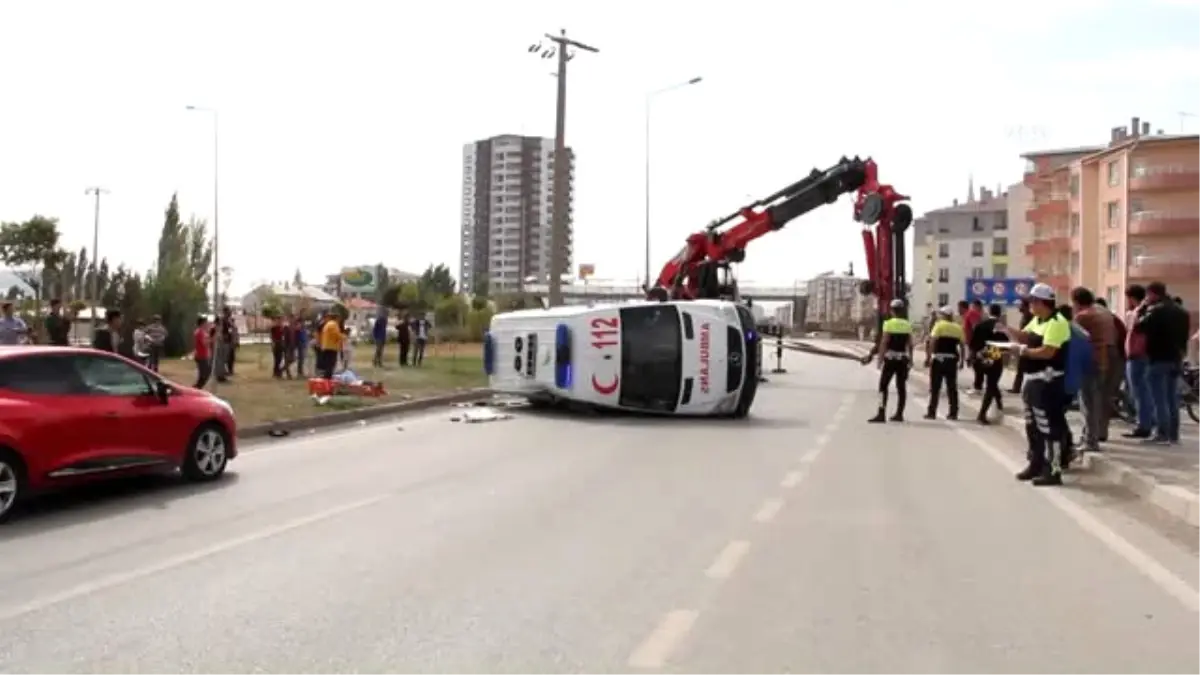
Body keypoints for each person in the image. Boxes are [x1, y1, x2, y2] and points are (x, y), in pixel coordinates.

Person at [1000, 283, 1072, 486]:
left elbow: (1049, 351)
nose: (1029, 305)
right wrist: (1007, 330)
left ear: (1041, 302)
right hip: (1032, 380)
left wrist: (1023, 351)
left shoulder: (1057, 322)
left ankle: (1054, 469)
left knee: (1049, 427)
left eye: (1031, 301)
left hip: (1048, 381)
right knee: (1032, 426)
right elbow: (1025, 336)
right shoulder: (1037, 320)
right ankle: (1036, 463)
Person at [1134, 281, 1190, 445]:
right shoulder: (1182, 311)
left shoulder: (1156, 310)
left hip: (1158, 358)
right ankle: (1173, 434)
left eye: (1147, 295)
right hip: (1176, 358)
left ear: (1152, 294)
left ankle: (1161, 433)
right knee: (1172, 397)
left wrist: (1143, 308)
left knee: (1158, 398)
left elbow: (1138, 327)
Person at [1071, 286, 1118, 452]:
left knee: (1088, 402)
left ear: (1076, 302)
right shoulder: (1103, 312)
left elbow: (1073, 338)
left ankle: (1090, 440)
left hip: (1090, 360)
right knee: (1098, 399)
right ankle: (1094, 434)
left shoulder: (1083, 316)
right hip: (1107, 358)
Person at [868, 299, 913, 423]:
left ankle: (881, 413)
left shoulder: (888, 324)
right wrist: (911, 359)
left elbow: (884, 342)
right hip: (903, 359)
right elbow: (910, 344)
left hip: (891, 359)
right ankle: (899, 414)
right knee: (901, 387)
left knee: (883, 386)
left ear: (892, 310)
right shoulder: (907, 325)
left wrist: (880, 359)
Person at [1122, 284, 1154, 439]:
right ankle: (1147, 422)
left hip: (1137, 355)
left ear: (1131, 297)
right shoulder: (1143, 311)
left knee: (1139, 392)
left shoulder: (1139, 312)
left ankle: (1143, 425)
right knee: (1142, 392)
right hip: (1140, 355)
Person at [924, 306, 965, 420]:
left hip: (939, 359)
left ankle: (932, 412)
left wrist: (929, 357)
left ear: (944, 315)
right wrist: (962, 360)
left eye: (941, 314)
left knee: (935, 387)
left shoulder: (939, 325)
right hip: (952, 360)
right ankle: (953, 412)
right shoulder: (958, 328)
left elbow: (932, 341)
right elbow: (962, 346)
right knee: (952, 387)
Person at [974, 303, 1008, 424]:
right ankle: (982, 414)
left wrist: (977, 354)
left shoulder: (980, 325)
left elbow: (973, 342)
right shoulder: (1001, 327)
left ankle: (999, 404)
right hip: (995, 356)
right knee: (992, 384)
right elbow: (1005, 345)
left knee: (991, 384)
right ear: (999, 314)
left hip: (980, 356)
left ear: (989, 312)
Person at [1009, 298, 1033, 393]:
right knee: (1021, 368)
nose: (1019, 307)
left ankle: (1019, 388)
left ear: (1026, 306)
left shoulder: (1030, 318)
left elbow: (1027, 333)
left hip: (1029, 346)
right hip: (1023, 346)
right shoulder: (1024, 317)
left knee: (1025, 369)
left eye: (1021, 305)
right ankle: (1016, 388)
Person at [963, 299, 986, 394]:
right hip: (974, 343)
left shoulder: (973, 313)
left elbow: (976, 327)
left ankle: (978, 386)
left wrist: (974, 343)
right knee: (976, 364)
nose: (971, 308)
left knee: (977, 364)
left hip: (975, 343)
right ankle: (977, 385)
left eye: (973, 306)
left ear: (977, 306)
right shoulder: (978, 314)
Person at [317, 311, 342, 379]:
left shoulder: (328, 324)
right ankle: (327, 379)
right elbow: (336, 335)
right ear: (336, 318)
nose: (340, 320)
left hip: (326, 346)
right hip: (331, 347)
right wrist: (343, 337)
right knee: (330, 365)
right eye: (339, 318)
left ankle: (326, 378)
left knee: (328, 364)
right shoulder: (333, 324)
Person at [193, 316, 213, 389]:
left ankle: (197, 387)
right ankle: (196, 388)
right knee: (205, 374)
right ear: (202, 323)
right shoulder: (199, 332)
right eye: (206, 322)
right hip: (201, 356)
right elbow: (204, 343)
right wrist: (213, 339)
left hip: (204, 355)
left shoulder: (203, 332)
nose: (207, 324)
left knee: (206, 373)